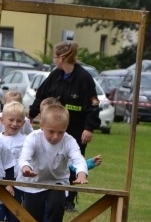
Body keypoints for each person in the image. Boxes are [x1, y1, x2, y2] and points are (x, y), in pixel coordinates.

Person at [17, 104, 88, 222]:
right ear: (41, 125)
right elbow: (24, 156)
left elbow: (77, 158)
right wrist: (25, 167)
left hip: (57, 182)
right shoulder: (34, 138)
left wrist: (81, 172)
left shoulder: (69, 140)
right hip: (32, 184)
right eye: (51, 132)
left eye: (60, 132)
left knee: (57, 208)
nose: (55, 137)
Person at [28, 41, 99, 211]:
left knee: (75, 160)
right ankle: (45, 191)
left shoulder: (84, 78)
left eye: (54, 56)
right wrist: (30, 115)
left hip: (76, 128)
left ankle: (69, 199)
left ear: (62, 58)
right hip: (53, 126)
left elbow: (93, 104)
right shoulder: (55, 75)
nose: (53, 60)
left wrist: (89, 128)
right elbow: (41, 96)